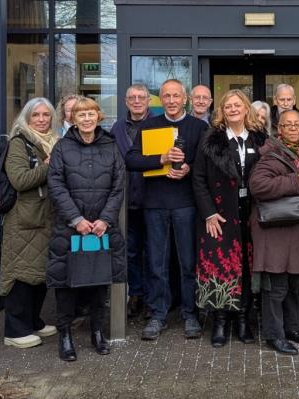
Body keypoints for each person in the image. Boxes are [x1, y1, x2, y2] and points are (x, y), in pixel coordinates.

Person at [125, 79, 207, 340]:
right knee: (157, 263)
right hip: (155, 204)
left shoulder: (198, 127)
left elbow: (207, 164)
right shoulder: (149, 125)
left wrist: (188, 168)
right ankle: (158, 313)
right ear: (161, 100)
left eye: (176, 96)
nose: (171, 101)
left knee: (187, 262)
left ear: (185, 99)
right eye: (166, 96)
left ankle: (190, 313)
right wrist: (160, 159)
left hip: (186, 203)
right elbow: (131, 159)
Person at [47, 97, 126, 361]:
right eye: (81, 115)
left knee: (99, 282)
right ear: (73, 119)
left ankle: (97, 332)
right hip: (70, 229)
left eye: (91, 113)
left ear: (98, 116)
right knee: (66, 284)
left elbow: (118, 186)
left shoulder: (111, 146)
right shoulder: (61, 148)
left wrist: (105, 219)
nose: (87, 119)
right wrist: (76, 219)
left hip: (102, 229)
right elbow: (56, 186)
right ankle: (65, 335)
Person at [193, 90, 269, 348]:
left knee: (247, 267)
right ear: (222, 112)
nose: (233, 109)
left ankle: (244, 321)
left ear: (246, 109)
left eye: (238, 105)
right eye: (228, 107)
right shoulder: (211, 140)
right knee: (221, 266)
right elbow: (199, 179)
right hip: (220, 215)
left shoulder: (260, 139)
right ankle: (221, 323)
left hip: (251, 213)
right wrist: (208, 213)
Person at [249, 109, 299, 355]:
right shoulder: (272, 154)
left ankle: (292, 328)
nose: (293, 129)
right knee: (276, 286)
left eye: (297, 125)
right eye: (288, 125)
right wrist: (294, 182)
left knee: (293, 283)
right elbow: (257, 185)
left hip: (294, 227)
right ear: (279, 129)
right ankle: (274, 335)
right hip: (275, 230)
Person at [1, 98, 60, 349]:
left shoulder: (53, 142)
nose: (41, 119)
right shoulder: (18, 143)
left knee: (39, 273)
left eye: (46, 115)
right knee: (21, 274)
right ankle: (15, 330)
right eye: (36, 115)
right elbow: (19, 180)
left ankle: (33, 321)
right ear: (27, 118)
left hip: (45, 218)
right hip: (24, 220)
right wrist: (48, 165)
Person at [111, 84, 154, 318]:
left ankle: (152, 297)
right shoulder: (117, 129)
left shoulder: (159, 124)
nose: (137, 101)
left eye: (141, 97)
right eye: (132, 98)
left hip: (153, 198)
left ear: (148, 100)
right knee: (131, 251)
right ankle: (135, 294)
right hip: (126, 202)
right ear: (126, 102)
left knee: (153, 252)